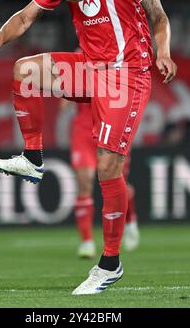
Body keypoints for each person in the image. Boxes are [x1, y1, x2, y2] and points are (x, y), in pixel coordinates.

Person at [0, 0, 177, 295]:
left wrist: (162, 52)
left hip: (125, 75)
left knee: (107, 169)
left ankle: (110, 263)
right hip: (89, 68)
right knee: (25, 70)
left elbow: (158, 16)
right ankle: (32, 159)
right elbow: (28, 15)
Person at [60, 98, 140, 259]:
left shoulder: (115, 73)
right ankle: (86, 241)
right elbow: (63, 103)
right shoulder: (80, 72)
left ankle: (130, 220)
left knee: (119, 181)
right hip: (84, 131)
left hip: (111, 127)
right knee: (84, 183)